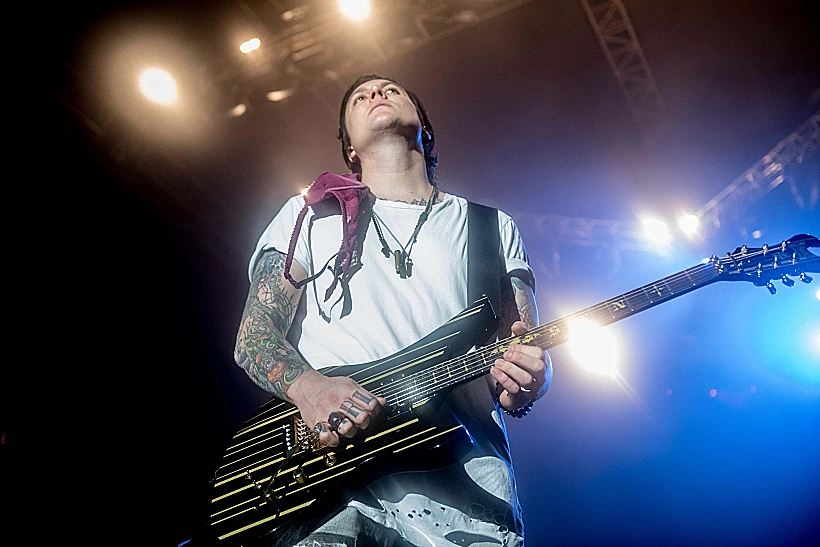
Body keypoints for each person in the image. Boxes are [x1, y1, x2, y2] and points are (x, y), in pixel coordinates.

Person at [233, 74, 553, 547]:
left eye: (391, 89)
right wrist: (310, 389)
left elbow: (524, 349)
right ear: (349, 147)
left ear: (424, 124)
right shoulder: (310, 214)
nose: (376, 94)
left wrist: (529, 381)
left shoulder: (491, 226)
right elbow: (253, 336)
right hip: (332, 488)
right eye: (359, 98)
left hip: (467, 491)